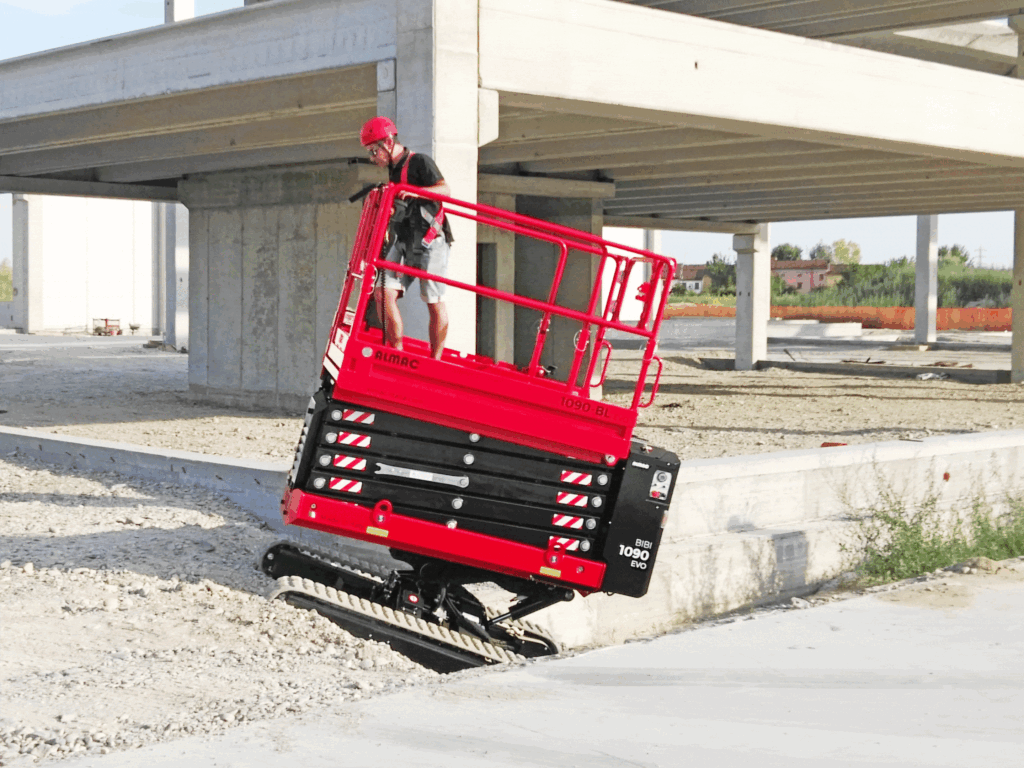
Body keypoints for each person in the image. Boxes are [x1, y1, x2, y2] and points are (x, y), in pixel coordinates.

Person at [360, 116, 454, 360]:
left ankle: (436, 359)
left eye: (373, 151)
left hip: (430, 240)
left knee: (434, 301)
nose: (373, 158)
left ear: (388, 143)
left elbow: (445, 191)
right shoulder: (394, 170)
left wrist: (413, 191)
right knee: (383, 294)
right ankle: (396, 351)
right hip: (405, 237)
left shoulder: (420, 162)